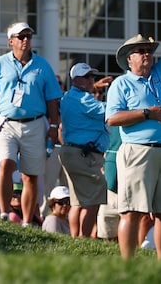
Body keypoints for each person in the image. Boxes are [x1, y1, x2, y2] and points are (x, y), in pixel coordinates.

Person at [105, 0, 161, 261]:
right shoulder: (121, 83)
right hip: (137, 151)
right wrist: (146, 113)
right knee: (132, 211)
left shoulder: (160, 73)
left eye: (149, 51)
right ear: (128, 58)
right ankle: (127, 264)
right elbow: (113, 119)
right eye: (141, 51)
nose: (147, 55)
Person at [0, 21, 62, 227]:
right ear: (11, 41)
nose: (26, 40)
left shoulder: (43, 65)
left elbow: (53, 99)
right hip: (6, 123)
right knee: (5, 164)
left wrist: (53, 127)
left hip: (34, 124)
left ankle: (27, 221)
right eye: (21, 36)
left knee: (30, 175)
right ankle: (4, 213)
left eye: (28, 36)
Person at [58, 62, 112, 238]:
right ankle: (85, 237)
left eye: (93, 76)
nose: (92, 80)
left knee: (78, 201)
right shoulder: (82, 98)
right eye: (88, 76)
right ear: (77, 79)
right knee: (94, 198)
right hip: (84, 155)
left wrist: (94, 86)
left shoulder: (69, 96)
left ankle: (77, 238)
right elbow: (106, 111)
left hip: (74, 152)